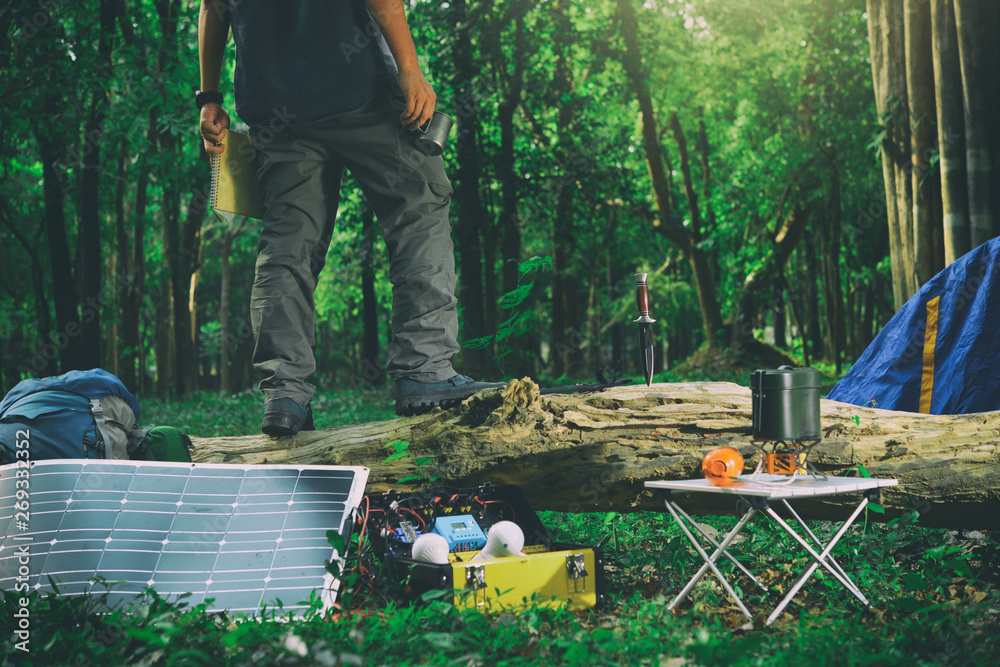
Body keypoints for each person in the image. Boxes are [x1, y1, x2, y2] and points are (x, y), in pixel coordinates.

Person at [197, 0, 502, 435]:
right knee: (419, 203)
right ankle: (425, 368)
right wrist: (410, 67)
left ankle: (285, 394)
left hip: (275, 107)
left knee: (288, 243)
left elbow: (213, 5)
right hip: (360, 90)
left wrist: (209, 98)